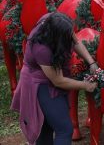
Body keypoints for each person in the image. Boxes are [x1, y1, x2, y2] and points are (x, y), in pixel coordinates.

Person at [11, 12, 98, 145]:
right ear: (57, 36)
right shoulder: (41, 49)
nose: (71, 36)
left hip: (51, 78)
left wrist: (91, 62)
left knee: (46, 127)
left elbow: (75, 41)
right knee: (64, 129)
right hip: (39, 84)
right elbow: (58, 81)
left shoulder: (53, 21)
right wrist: (85, 85)